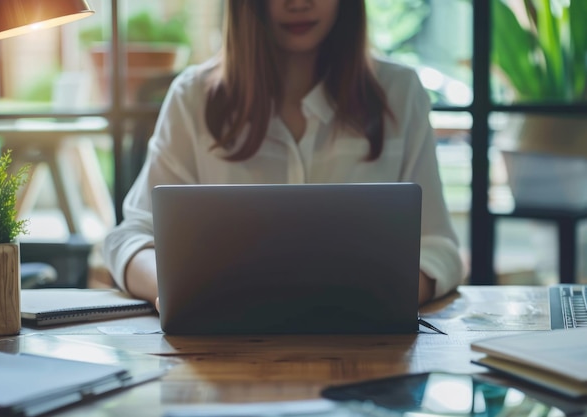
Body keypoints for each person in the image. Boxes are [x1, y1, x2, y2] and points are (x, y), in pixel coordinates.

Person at [103, 0, 464, 310]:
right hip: (226, 356)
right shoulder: (193, 96)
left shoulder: (399, 93)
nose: (299, 2)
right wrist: (173, 293)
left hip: (366, 352)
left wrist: (378, 300)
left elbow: (440, 248)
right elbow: (130, 237)